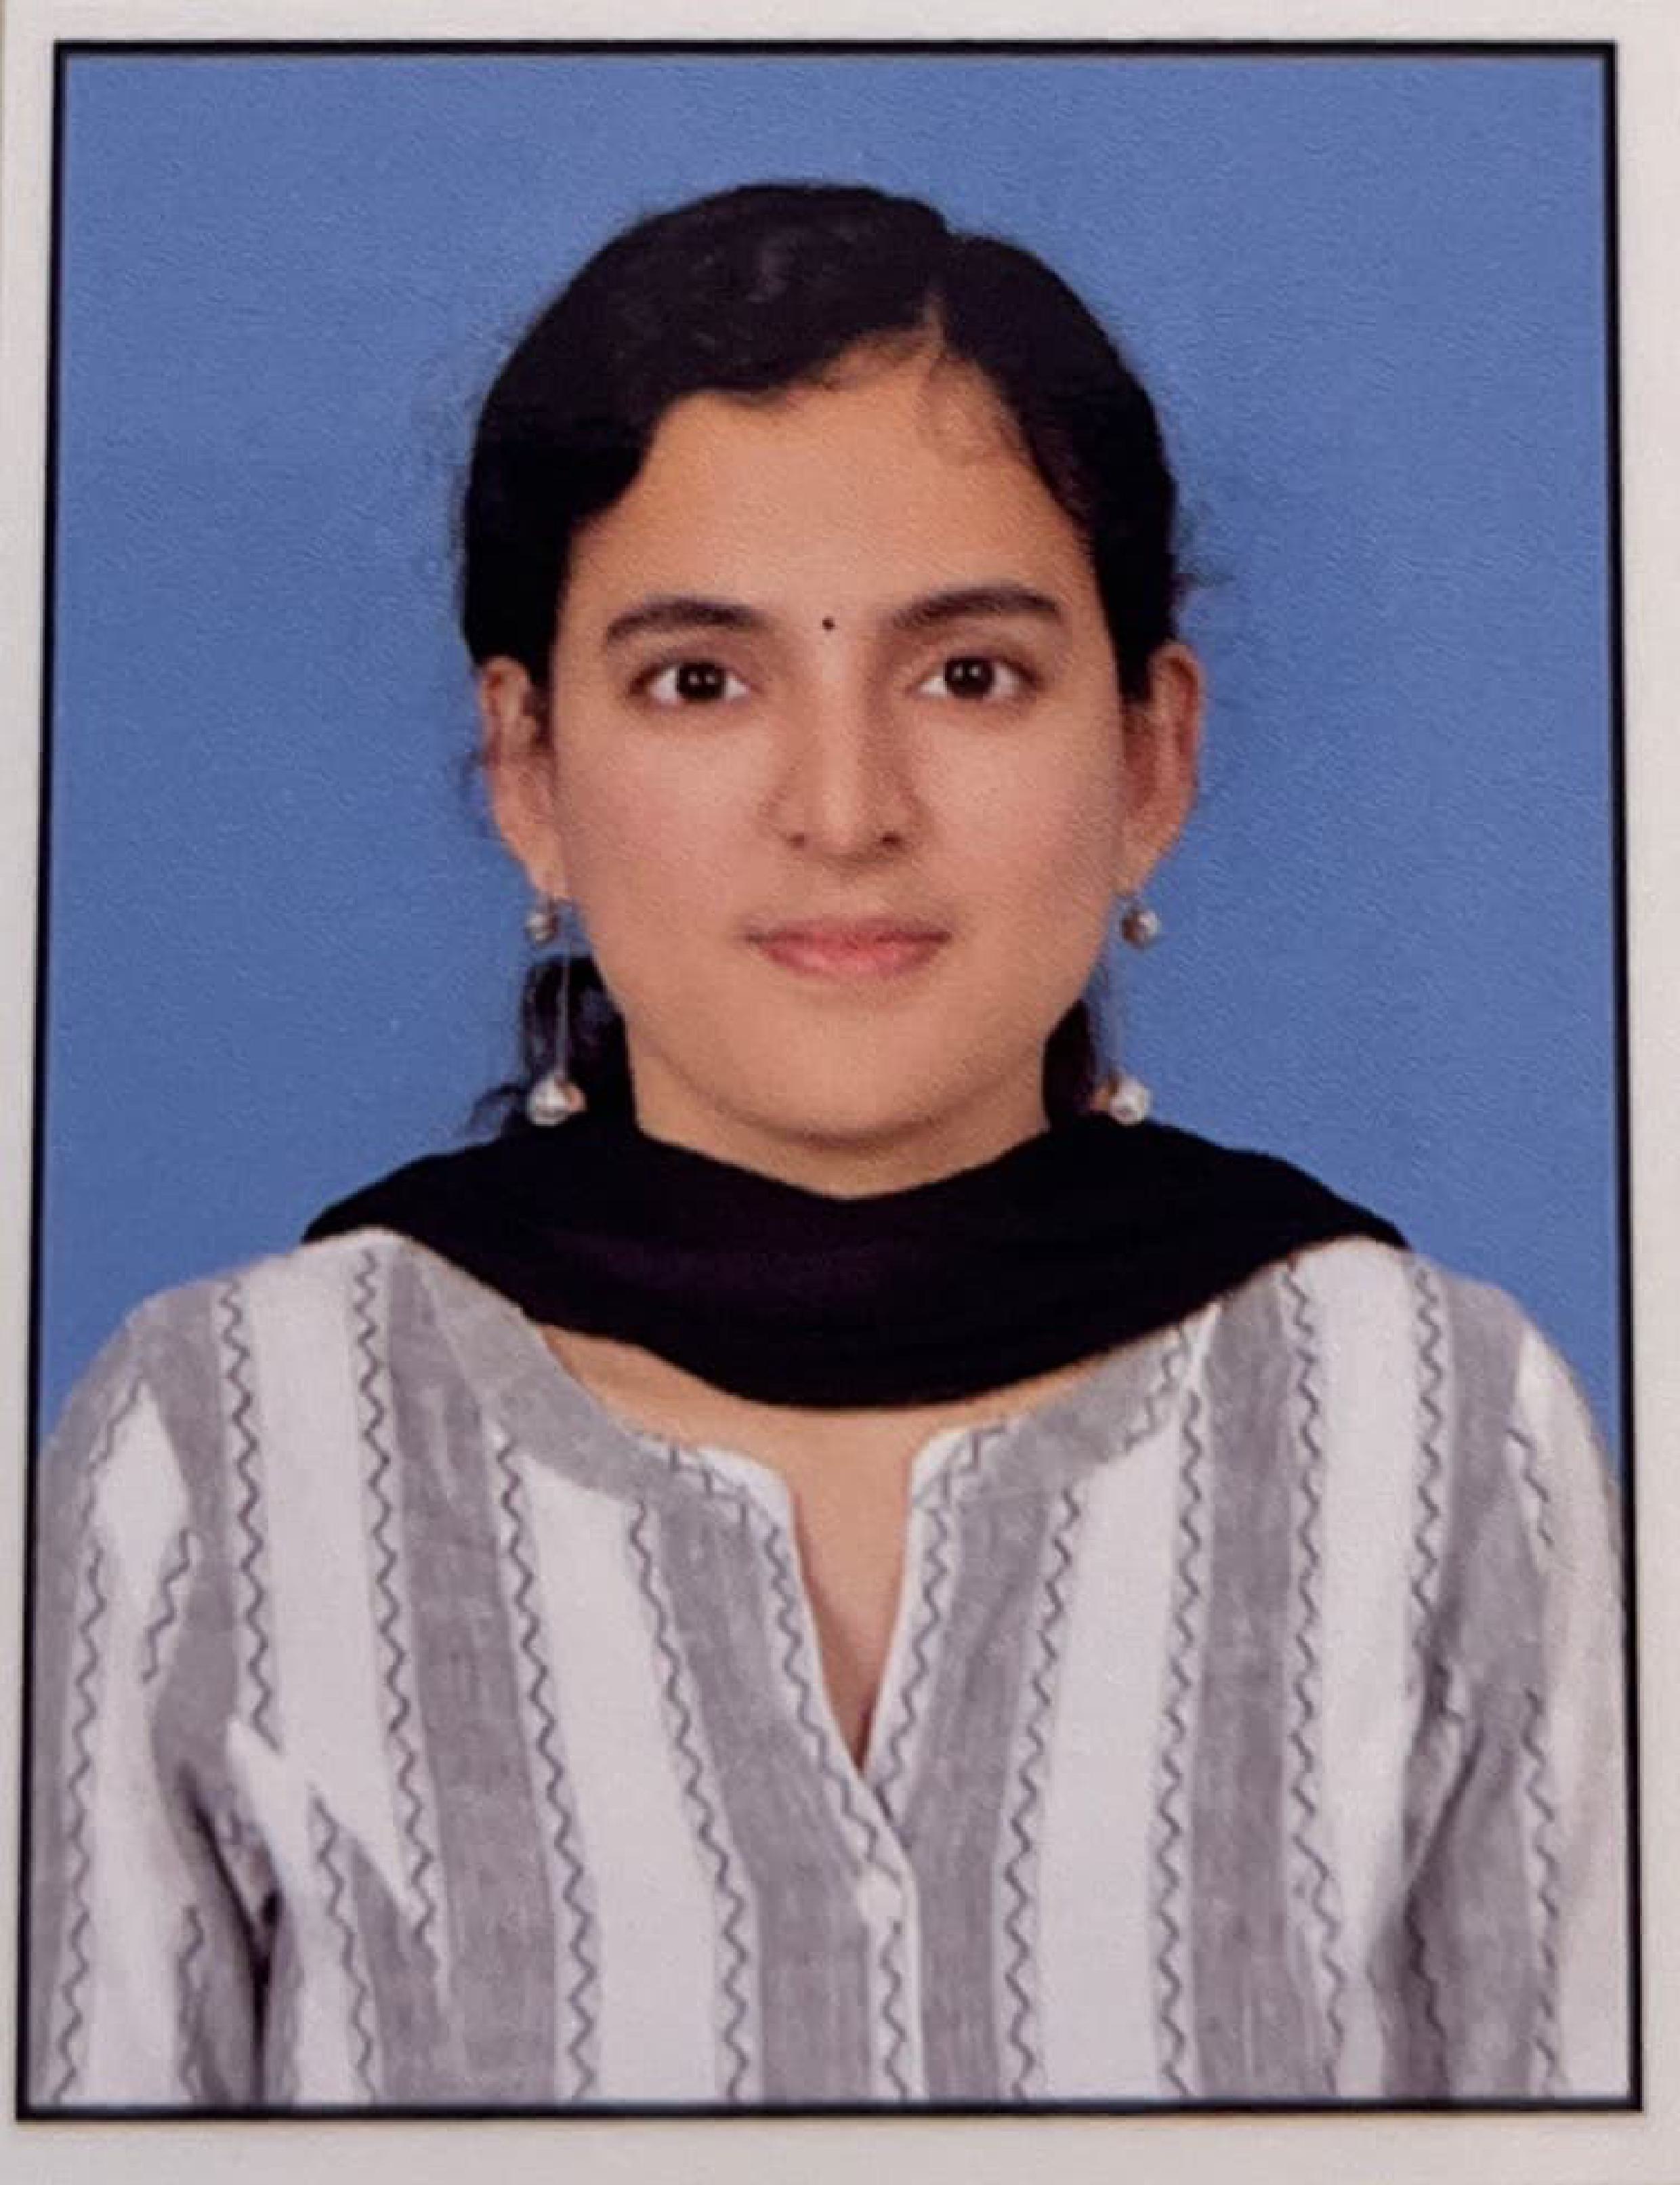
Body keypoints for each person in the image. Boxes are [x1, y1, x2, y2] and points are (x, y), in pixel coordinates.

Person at [25, 181, 1627, 2112]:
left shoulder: (1436, 1433)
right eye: (701, 680)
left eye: (971, 674)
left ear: (1150, 757)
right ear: (531, 771)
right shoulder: (220, 1452)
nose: (847, 808)